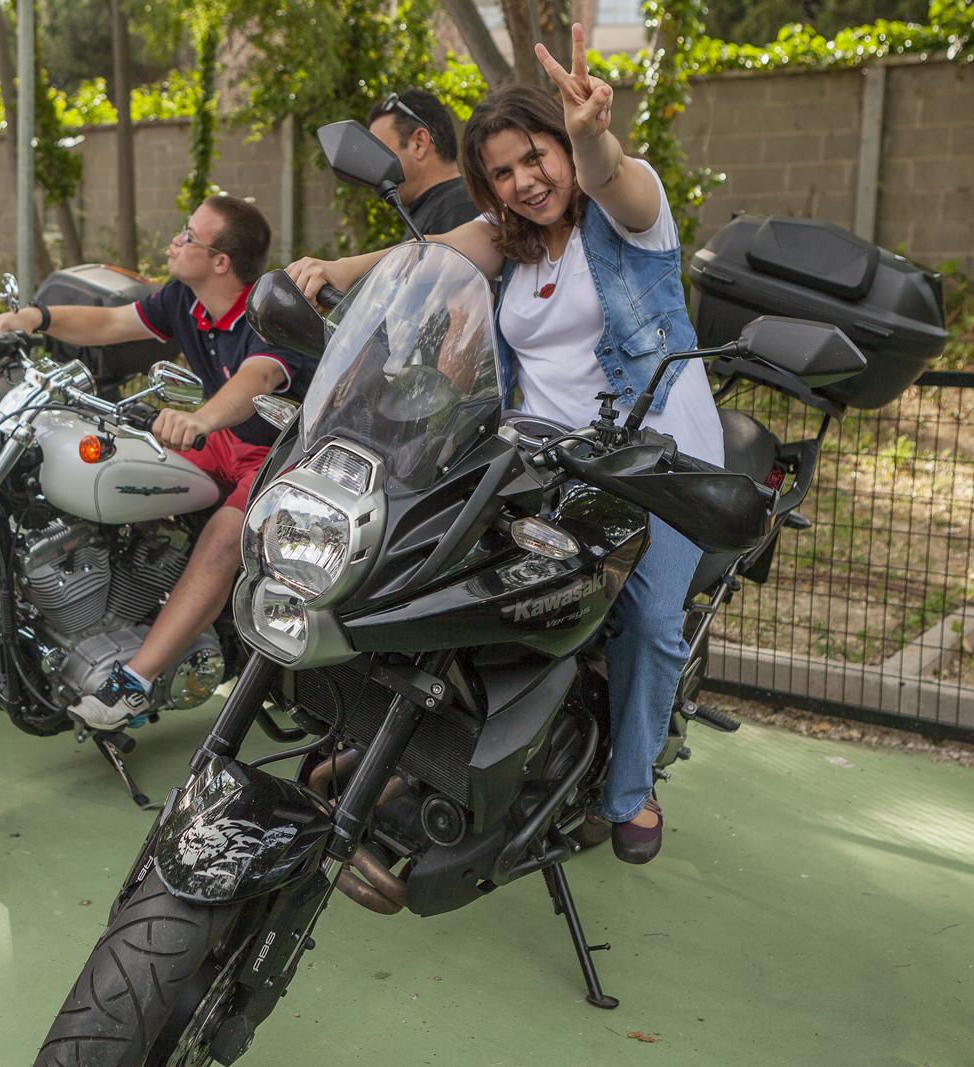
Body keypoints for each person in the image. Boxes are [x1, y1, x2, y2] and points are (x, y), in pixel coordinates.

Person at [288, 26, 720, 866]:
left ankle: (631, 787)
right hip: (549, 457)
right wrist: (338, 273)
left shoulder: (632, 221)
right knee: (450, 575)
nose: (526, 181)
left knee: (647, 620)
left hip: (657, 460)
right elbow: (427, 257)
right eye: (503, 172)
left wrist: (591, 138)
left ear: (562, 146)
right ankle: (426, 745)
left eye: (537, 157)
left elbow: (613, 179)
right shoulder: (511, 242)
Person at [0, 194, 317, 729]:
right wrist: (37, 317)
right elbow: (108, 324)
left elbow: (257, 378)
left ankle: (134, 684)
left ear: (220, 262)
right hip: (224, 439)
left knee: (222, 539)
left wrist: (201, 419)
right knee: (124, 470)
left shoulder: (270, 314)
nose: (174, 241)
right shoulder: (185, 300)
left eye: (188, 236)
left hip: (285, 452)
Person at [365, 90, 481, 236]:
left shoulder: (460, 209)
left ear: (419, 143)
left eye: (378, 153)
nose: (372, 168)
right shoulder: (440, 212)